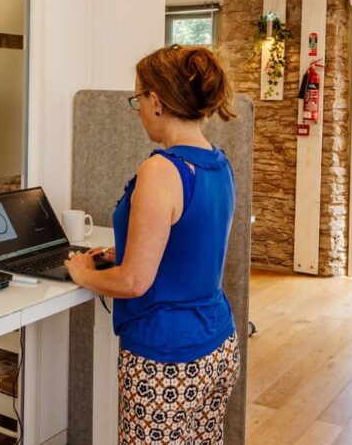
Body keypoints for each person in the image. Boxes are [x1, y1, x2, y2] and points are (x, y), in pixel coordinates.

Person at [64, 44, 240, 444]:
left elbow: (133, 283)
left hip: (167, 360)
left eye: (138, 99)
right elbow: (193, 244)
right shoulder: (217, 162)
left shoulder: (161, 170)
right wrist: (123, 251)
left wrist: (82, 273)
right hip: (217, 344)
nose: (138, 109)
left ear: (156, 102)